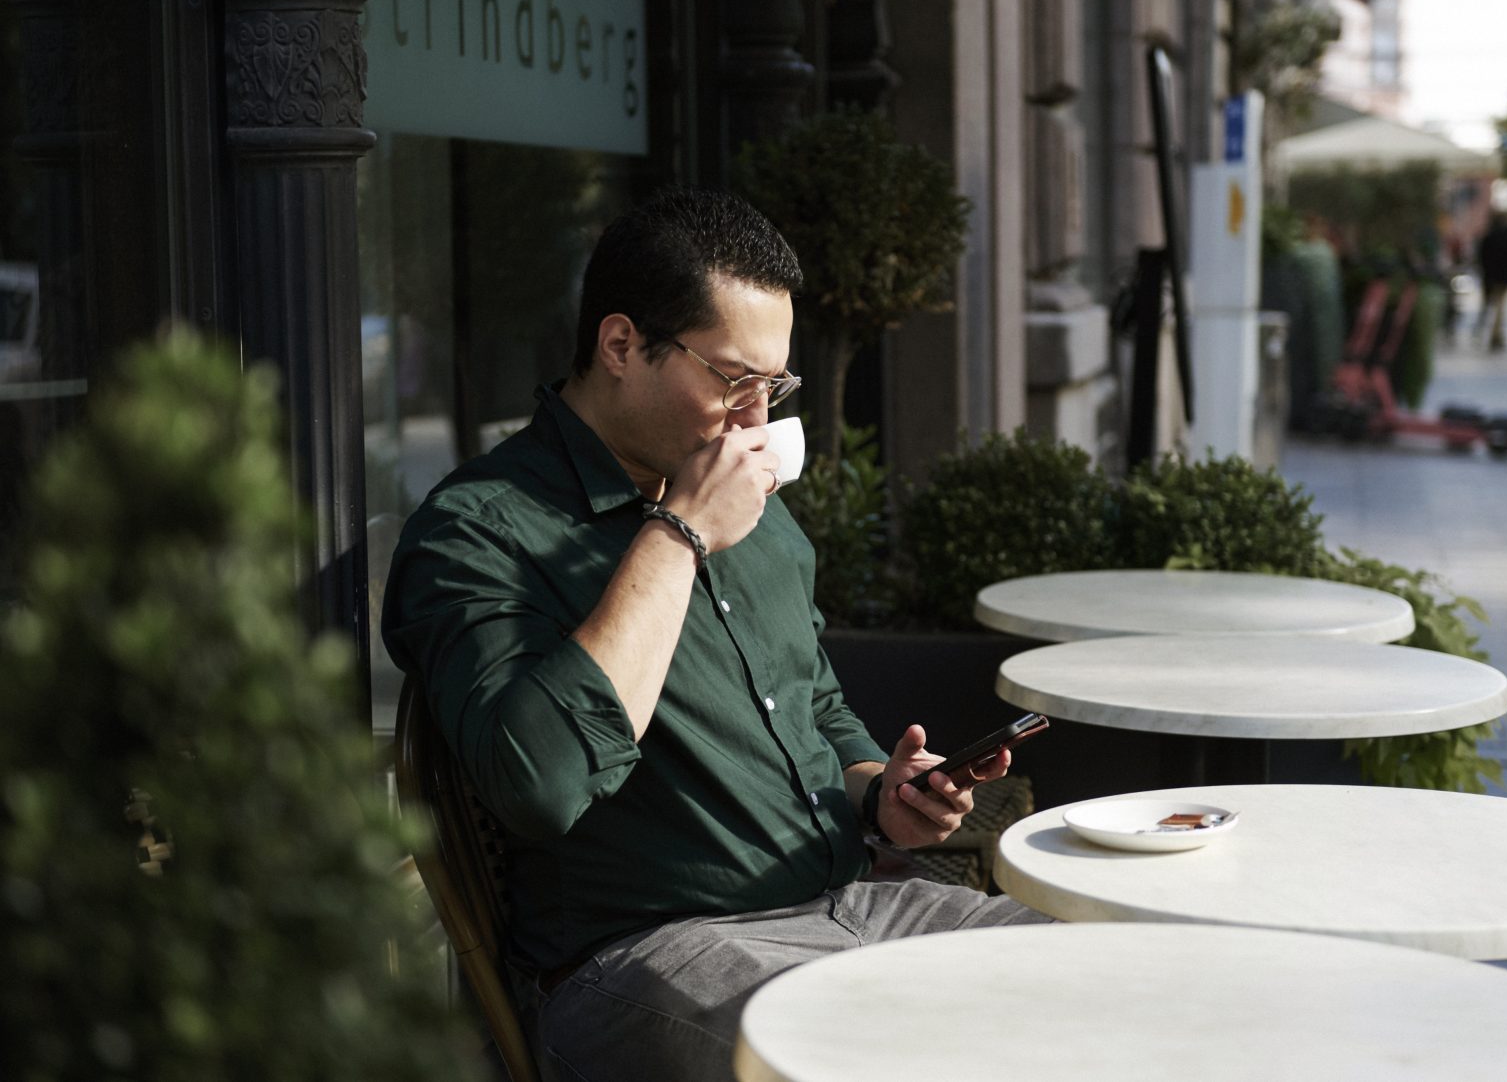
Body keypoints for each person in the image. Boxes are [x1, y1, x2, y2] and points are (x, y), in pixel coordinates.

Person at [382, 189, 1048, 1082]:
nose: (756, 422)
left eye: (773, 387)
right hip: (651, 951)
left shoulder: (755, 507)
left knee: (1102, 976)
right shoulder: (479, 531)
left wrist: (880, 792)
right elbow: (538, 783)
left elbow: (812, 702)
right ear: (621, 346)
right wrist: (677, 534)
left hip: (853, 901)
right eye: (734, 380)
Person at [1476, 208, 1507, 351]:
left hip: (1492, 276)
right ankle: (1495, 335)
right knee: (1500, 308)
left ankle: (1493, 333)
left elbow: (1482, 256)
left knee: (1494, 306)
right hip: (1503, 277)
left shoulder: (1490, 235)